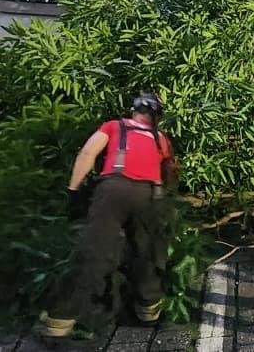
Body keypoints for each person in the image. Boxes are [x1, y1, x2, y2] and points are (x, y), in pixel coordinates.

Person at [37, 91, 176, 339]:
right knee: (147, 252)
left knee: (95, 250)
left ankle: (60, 321)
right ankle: (148, 311)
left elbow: (87, 154)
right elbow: (169, 172)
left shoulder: (113, 126)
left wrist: (73, 191)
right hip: (148, 195)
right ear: (157, 117)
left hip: (113, 189)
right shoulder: (161, 139)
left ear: (134, 111)